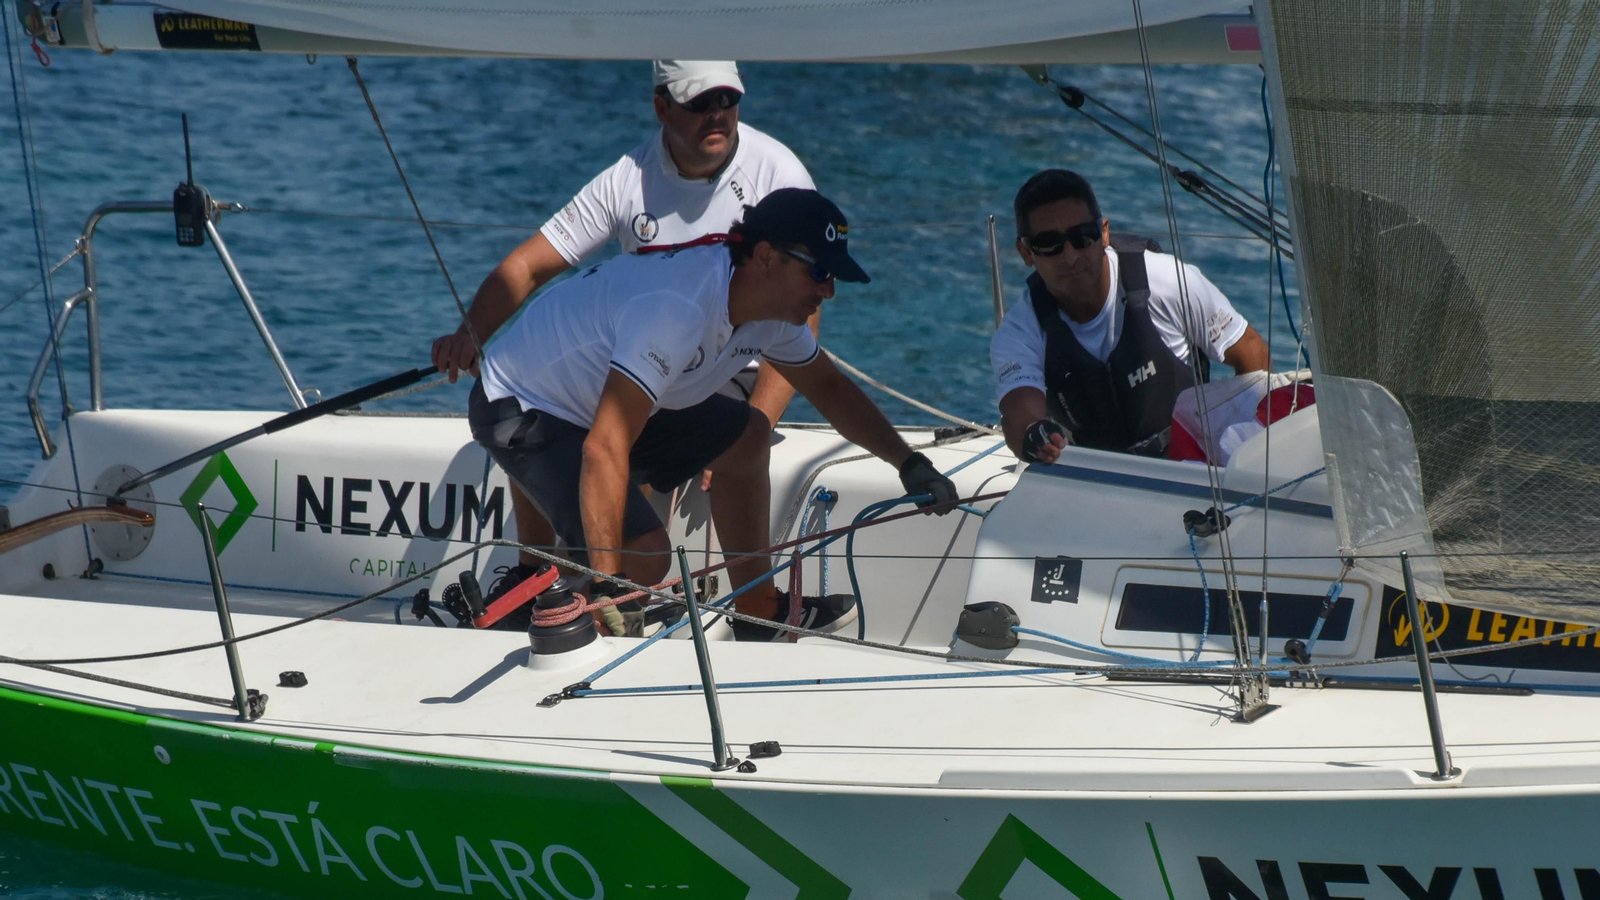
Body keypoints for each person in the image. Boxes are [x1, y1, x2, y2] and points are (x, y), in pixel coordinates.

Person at [468, 189, 958, 641]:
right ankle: (534, 619)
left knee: (747, 437)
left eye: (834, 277)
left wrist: (908, 463)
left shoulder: (770, 311)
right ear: (765, 257)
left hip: (598, 403)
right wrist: (608, 582)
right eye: (819, 273)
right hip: (522, 404)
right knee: (644, 558)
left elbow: (830, 389)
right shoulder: (677, 309)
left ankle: (758, 612)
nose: (828, 291)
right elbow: (604, 446)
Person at [433, 60, 819, 591]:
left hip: (734, 366)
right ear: (662, 107)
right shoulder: (627, 180)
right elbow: (527, 266)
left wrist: (760, 420)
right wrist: (469, 333)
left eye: (728, 100)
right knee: (553, 392)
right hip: (650, 365)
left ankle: (750, 605)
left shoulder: (778, 175)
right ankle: (542, 579)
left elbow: (806, 312)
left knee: (724, 437)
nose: (717, 114)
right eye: (700, 103)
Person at [990, 169, 1269, 463]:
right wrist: (1033, 435)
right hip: (1099, 474)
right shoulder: (1019, 330)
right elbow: (1019, 412)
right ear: (1025, 252)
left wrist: (1244, 450)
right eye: (1049, 244)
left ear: (1104, 232)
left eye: (1082, 237)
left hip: (1194, 466)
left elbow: (1253, 355)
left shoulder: (1168, 280)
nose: (1070, 257)